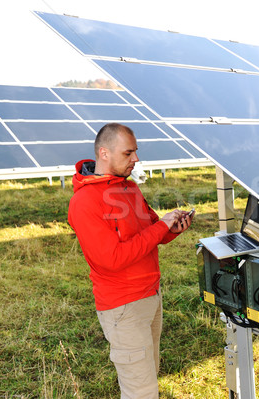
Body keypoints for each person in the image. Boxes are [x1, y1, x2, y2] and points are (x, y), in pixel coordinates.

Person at [68, 123, 192, 398]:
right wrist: (161, 228)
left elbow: (150, 233)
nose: (135, 159)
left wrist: (171, 229)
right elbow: (111, 259)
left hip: (151, 296)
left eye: (135, 152)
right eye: (128, 153)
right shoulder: (85, 202)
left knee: (148, 376)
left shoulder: (129, 188)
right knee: (141, 391)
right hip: (123, 307)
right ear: (104, 153)